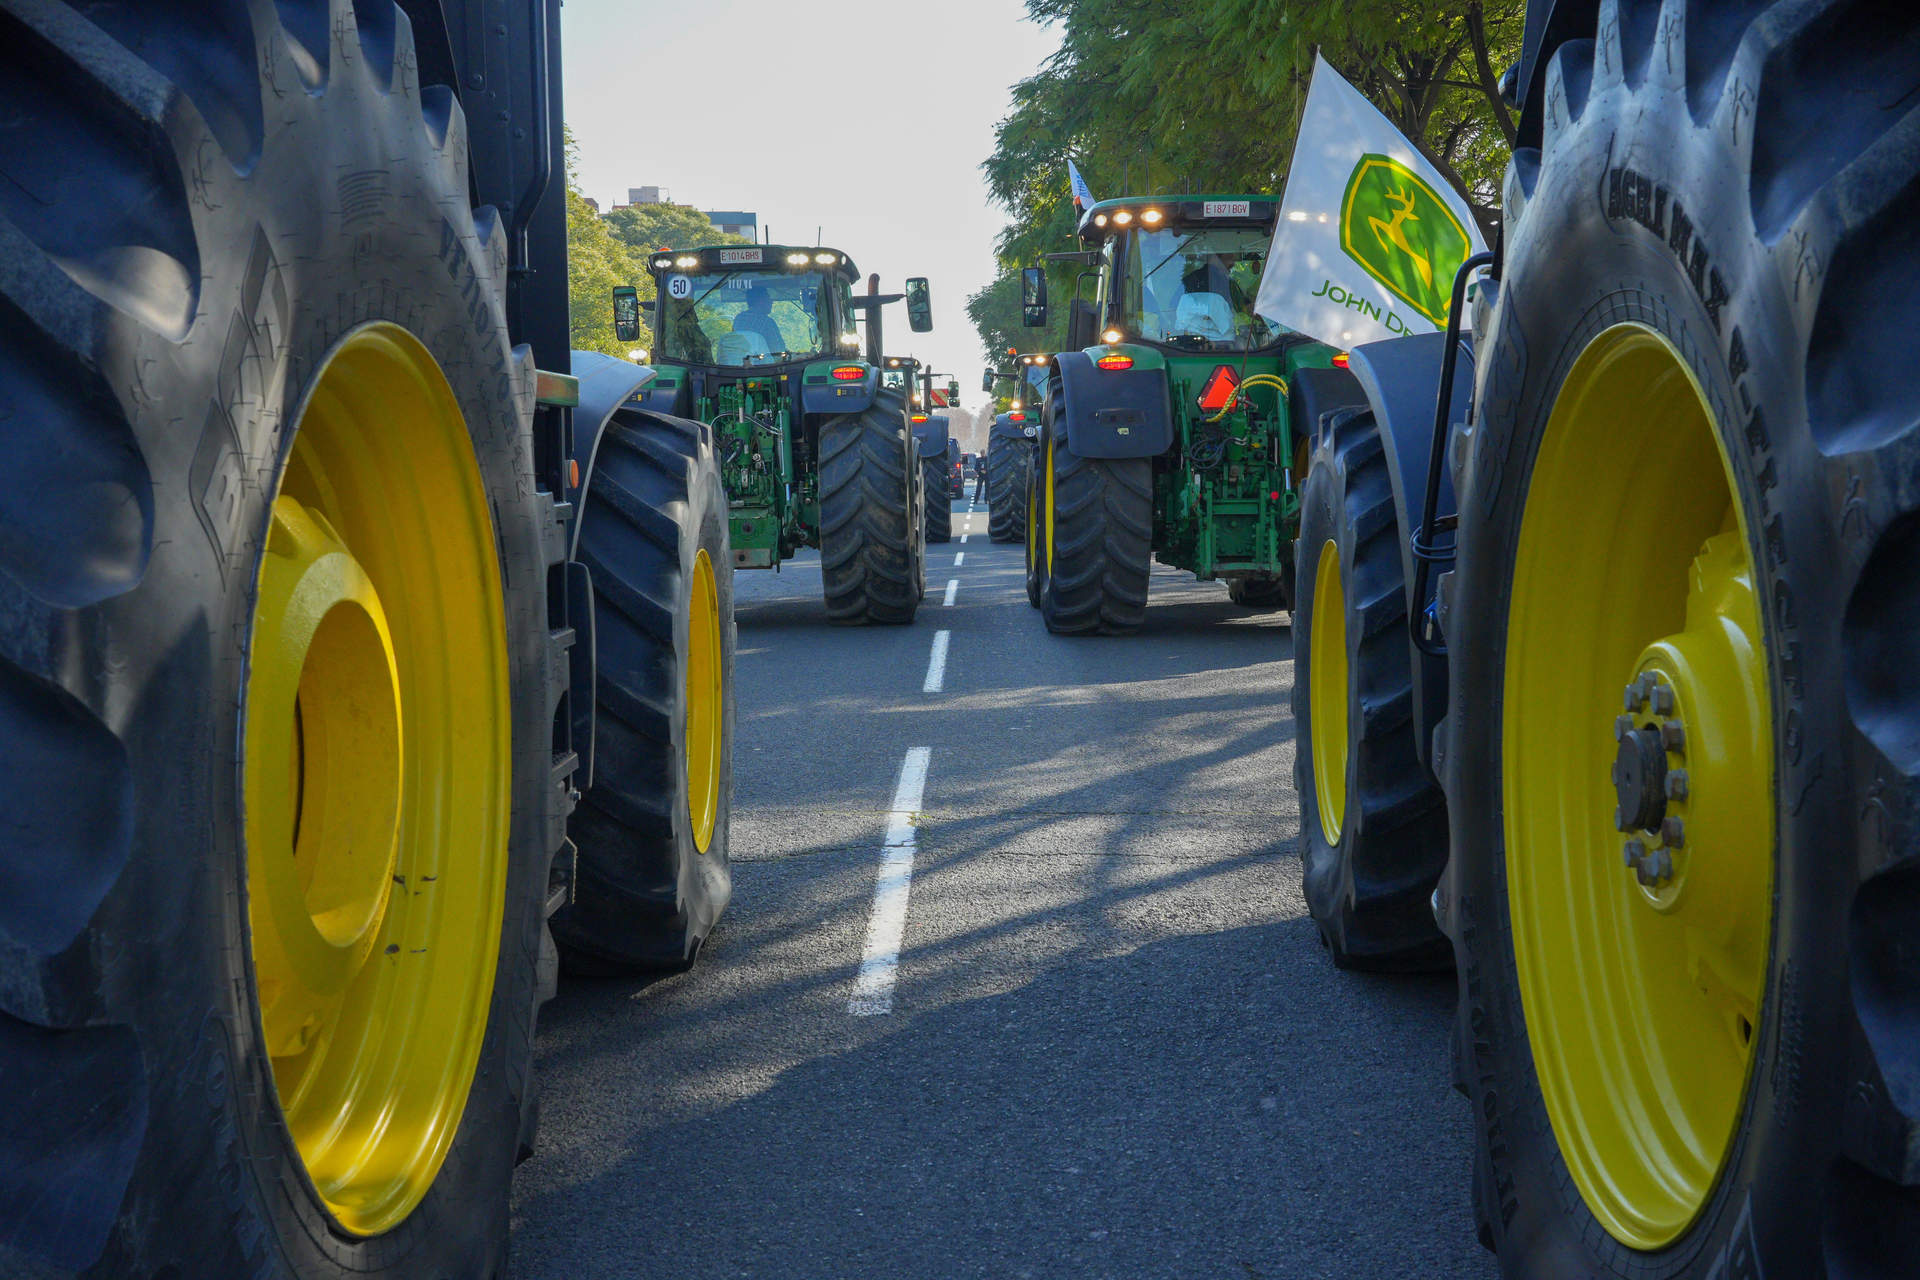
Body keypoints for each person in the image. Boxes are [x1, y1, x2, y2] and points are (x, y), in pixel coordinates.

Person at [731, 285, 786, 352]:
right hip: (762, 361)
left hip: (738, 361)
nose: (772, 302)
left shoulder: (738, 318)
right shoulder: (767, 322)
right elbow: (778, 349)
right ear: (760, 301)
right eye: (768, 298)